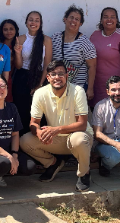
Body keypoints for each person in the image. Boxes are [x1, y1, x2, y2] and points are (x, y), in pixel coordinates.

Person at [19, 60, 94, 192]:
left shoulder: (78, 91)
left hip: (79, 137)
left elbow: (82, 125)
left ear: (67, 75)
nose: (57, 77)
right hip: (56, 139)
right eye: (53, 74)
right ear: (48, 77)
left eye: (60, 74)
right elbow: (33, 123)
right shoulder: (40, 93)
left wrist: (57, 129)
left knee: (79, 140)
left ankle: (84, 172)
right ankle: (53, 163)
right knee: (25, 141)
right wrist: (39, 133)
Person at [12, 11, 52, 135]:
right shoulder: (21, 39)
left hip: (40, 77)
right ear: (26, 22)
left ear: (40, 23)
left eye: (36, 20)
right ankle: (22, 143)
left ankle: (37, 142)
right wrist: (18, 53)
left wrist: (40, 85)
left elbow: (47, 65)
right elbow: (18, 66)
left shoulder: (46, 40)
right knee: (22, 110)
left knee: (39, 112)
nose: (33, 22)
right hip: (22, 78)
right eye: (31, 19)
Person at [51, 5, 97, 101]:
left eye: (77, 19)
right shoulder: (55, 37)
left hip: (76, 88)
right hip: (57, 87)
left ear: (80, 23)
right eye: (71, 17)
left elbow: (92, 66)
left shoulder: (84, 42)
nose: (73, 21)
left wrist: (90, 89)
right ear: (65, 19)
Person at [89, 7, 120, 105]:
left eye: (112, 17)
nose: (109, 19)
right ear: (101, 20)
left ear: (117, 20)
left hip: (115, 88)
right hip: (97, 86)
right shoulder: (94, 35)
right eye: (105, 17)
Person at [0, 18, 19, 102]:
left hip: (11, 78)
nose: (8, 32)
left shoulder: (18, 45)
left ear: (15, 30)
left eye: (11, 29)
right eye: (5, 29)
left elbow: (19, 65)